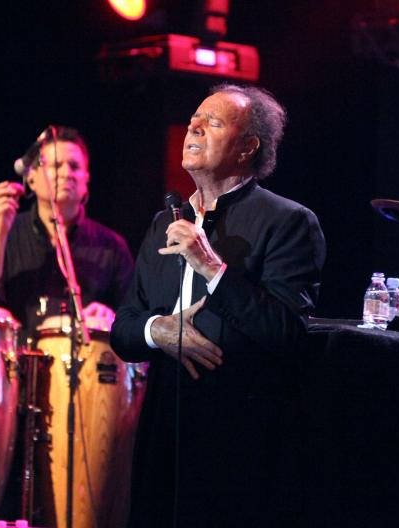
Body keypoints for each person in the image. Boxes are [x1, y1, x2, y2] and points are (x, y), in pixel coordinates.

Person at [111, 84, 326, 527]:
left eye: (212, 122)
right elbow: (124, 328)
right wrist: (157, 330)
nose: (194, 127)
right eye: (194, 120)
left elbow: (289, 334)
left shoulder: (288, 221)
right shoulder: (164, 222)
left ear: (248, 147)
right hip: (164, 428)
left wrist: (211, 267)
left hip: (238, 438)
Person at [0, 125, 134, 333]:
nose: (66, 173)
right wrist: (0, 232)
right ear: (31, 179)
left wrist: (111, 317)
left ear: (87, 179)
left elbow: (134, 322)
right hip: (15, 351)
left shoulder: (112, 247)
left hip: (86, 353)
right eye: (56, 166)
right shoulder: (4, 232)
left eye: (74, 166)